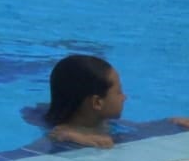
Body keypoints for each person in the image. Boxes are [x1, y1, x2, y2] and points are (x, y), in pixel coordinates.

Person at [29, 54, 189, 150]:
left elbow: (136, 130)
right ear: (97, 103)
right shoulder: (64, 133)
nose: (124, 97)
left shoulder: (103, 122)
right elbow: (43, 145)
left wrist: (170, 123)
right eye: (119, 92)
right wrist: (76, 139)